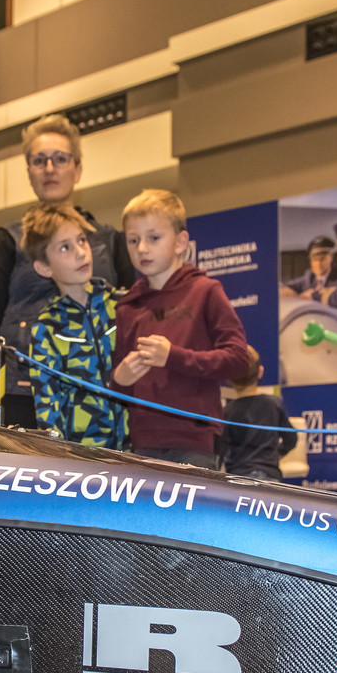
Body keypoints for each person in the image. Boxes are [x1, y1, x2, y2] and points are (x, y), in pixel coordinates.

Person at [0, 114, 133, 424]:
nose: (50, 168)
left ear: (78, 168)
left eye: (60, 159)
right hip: (22, 389)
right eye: (39, 161)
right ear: (29, 172)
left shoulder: (109, 240)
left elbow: (133, 310)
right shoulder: (8, 240)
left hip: (98, 389)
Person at [113, 189, 248, 469]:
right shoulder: (128, 305)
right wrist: (119, 379)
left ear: (180, 241)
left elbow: (238, 359)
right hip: (142, 441)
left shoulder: (206, 291)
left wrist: (172, 356)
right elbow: (120, 384)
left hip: (195, 441)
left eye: (154, 238)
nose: (142, 248)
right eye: (133, 240)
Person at [21, 203, 126, 449]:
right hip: (83, 458)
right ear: (44, 267)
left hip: (138, 452)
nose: (80, 253)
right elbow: (47, 411)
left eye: (82, 241)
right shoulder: (46, 329)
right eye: (65, 247)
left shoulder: (123, 306)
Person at [222, 347, 297, 479]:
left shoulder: (227, 411)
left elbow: (221, 450)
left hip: (238, 476)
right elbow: (291, 439)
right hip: (269, 475)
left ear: (230, 378)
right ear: (260, 371)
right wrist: (275, 455)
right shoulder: (273, 403)